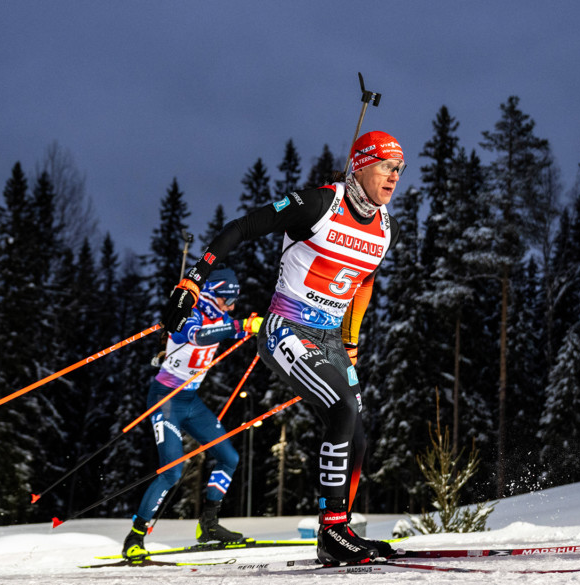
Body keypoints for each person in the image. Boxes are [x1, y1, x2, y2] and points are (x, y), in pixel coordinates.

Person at [162, 131, 404, 565]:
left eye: (399, 170)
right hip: (285, 330)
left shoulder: (385, 226)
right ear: (361, 164)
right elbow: (242, 227)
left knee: (359, 437)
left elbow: (363, 281)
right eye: (387, 166)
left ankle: (340, 528)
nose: (394, 177)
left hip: (331, 338)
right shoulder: (316, 204)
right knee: (343, 408)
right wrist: (192, 281)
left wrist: (350, 342)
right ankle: (331, 533)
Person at [123, 268, 263, 559]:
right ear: (216, 294)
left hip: (190, 401)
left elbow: (232, 326)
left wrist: (253, 325)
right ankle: (135, 537)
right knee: (171, 470)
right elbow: (198, 337)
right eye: (228, 301)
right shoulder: (191, 311)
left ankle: (209, 525)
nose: (232, 307)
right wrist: (239, 326)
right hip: (166, 399)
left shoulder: (221, 316)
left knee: (229, 458)